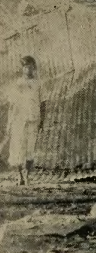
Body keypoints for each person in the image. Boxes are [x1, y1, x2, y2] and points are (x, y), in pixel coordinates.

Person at [0, 56, 42, 185]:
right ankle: (20, 176)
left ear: (33, 67)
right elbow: (13, 105)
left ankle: (27, 176)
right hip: (19, 120)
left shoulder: (38, 84)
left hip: (33, 119)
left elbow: (43, 103)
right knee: (18, 149)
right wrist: (9, 123)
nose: (28, 69)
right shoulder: (17, 84)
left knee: (30, 149)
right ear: (22, 69)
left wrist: (42, 120)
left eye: (30, 66)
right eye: (25, 67)